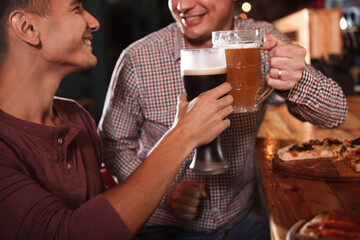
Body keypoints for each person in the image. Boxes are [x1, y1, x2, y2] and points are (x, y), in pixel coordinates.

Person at [99, 0, 348, 239]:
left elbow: (336, 113)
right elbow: (113, 143)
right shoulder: (140, 57)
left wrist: (298, 80)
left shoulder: (260, 38)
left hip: (242, 221)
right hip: (165, 228)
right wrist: (162, 194)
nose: (182, 5)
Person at [0, 0, 234, 239]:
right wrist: (183, 135)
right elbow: (70, 233)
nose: (94, 22)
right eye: (76, 8)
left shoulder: (76, 117)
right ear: (28, 27)